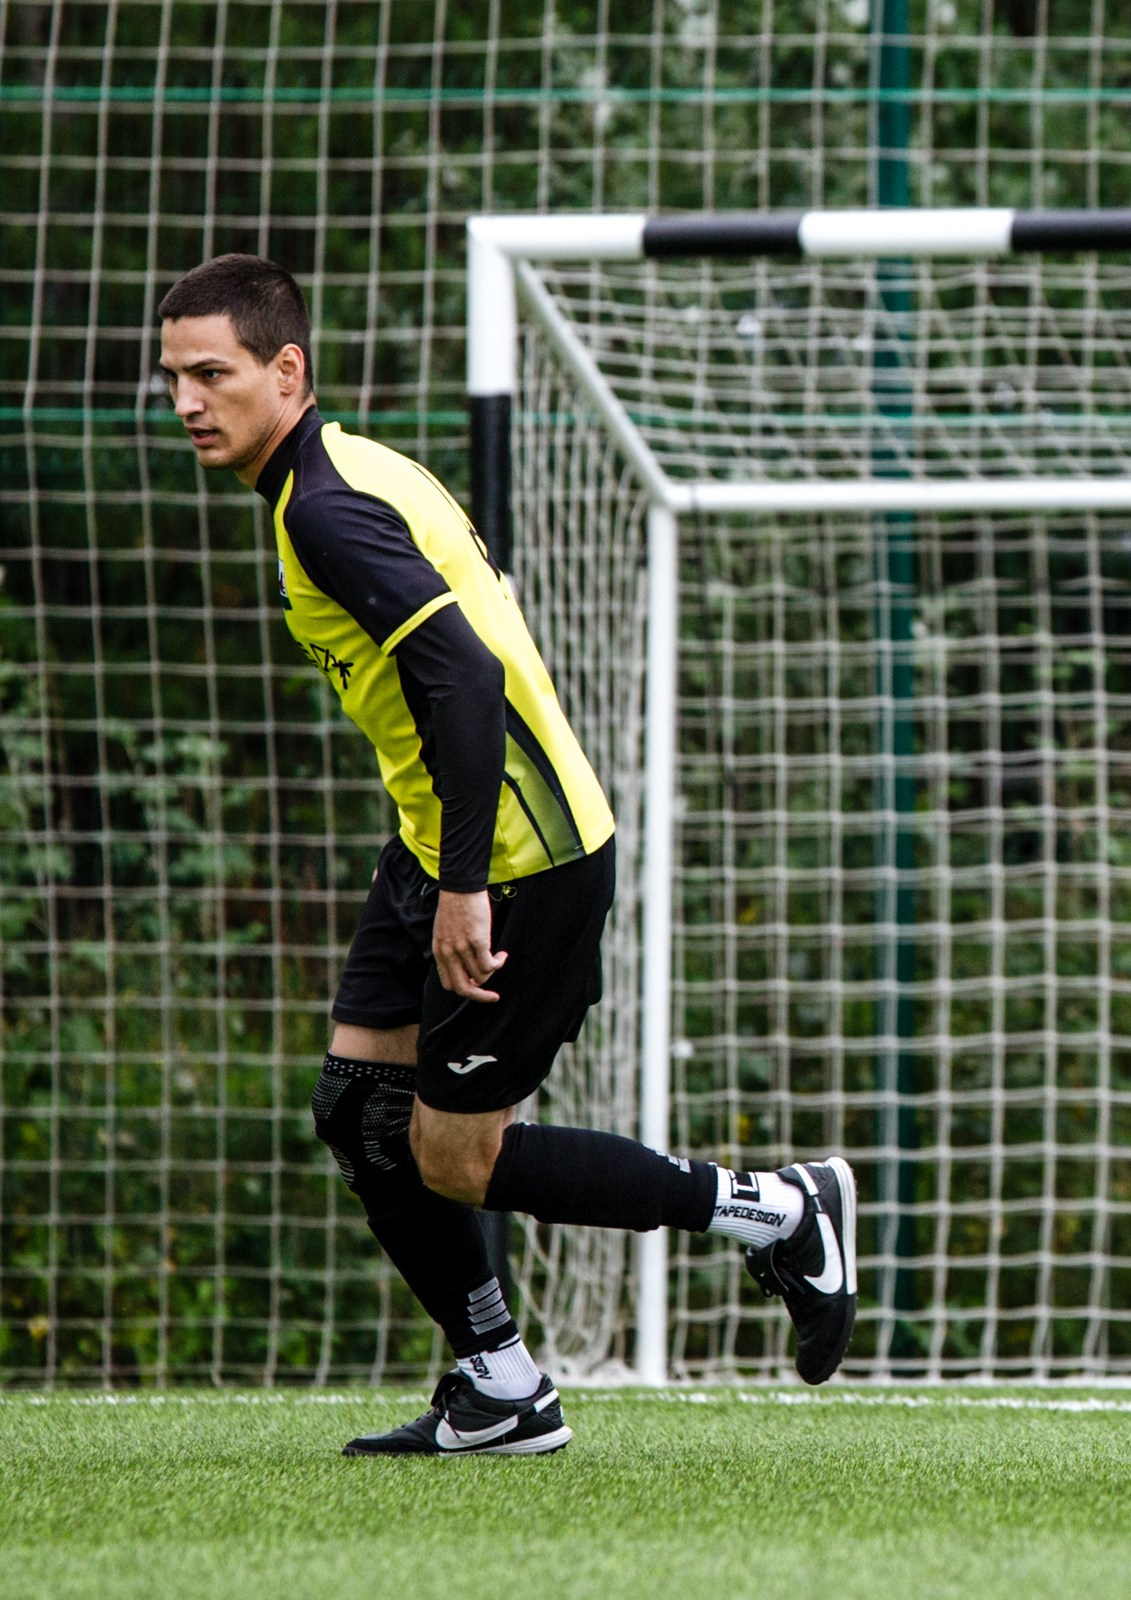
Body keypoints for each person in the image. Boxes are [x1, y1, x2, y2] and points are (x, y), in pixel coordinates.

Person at [158, 255, 860, 1455]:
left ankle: (778, 1212)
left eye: (211, 373)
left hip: (516, 860)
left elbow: (467, 674)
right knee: (358, 1110)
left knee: (455, 1151)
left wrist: (467, 883)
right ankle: (499, 1384)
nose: (185, 401)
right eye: (170, 376)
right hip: (441, 837)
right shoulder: (346, 470)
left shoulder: (325, 509)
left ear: (287, 370)